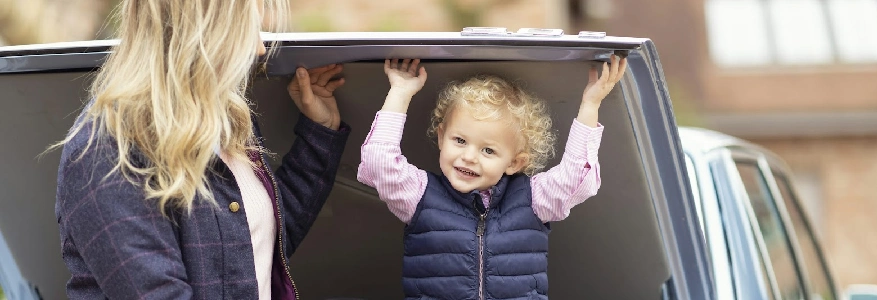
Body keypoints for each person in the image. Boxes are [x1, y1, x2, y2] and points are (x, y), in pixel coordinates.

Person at [53, 0, 350, 299]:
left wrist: (319, 132)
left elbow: (253, 249)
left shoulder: (226, 117)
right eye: (247, 29)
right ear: (203, 32)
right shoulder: (106, 152)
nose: (259, 48)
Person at [357, 57, 627, 299]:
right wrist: (400, 93)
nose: (469, 156)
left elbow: (577, 178)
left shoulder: (533, 198)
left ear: (514, 163)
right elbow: (380, 163)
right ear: (441, 137)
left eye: (488, 150)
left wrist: (591, 105)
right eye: (460, 140)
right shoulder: (420, 194)